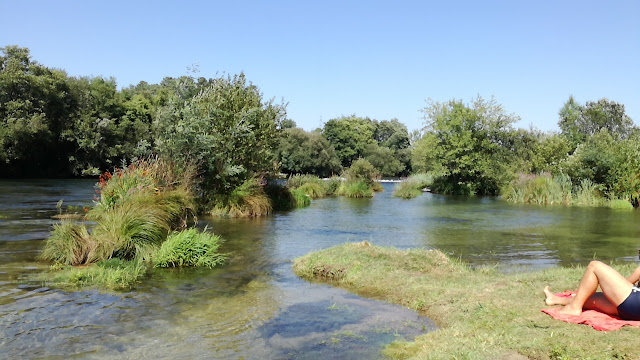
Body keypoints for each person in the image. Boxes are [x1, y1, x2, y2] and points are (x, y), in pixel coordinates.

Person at [543, 260, 640, 320]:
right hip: (633, 311)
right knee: (590, 298)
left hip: (634, 304)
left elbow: (625, 285)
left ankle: (574, 308)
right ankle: (555, 299)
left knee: (594, 266)